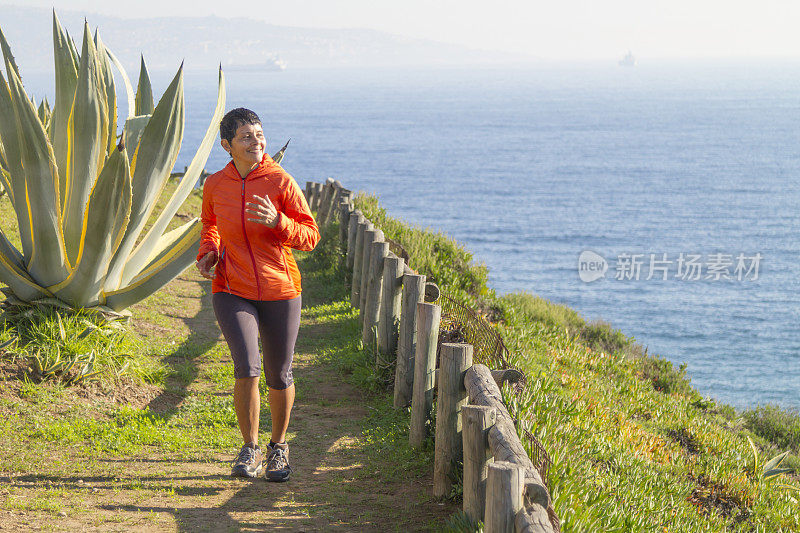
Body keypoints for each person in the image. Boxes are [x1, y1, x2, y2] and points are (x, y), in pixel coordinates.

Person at [196, 108, 320, 482]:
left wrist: (278, 223)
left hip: (280, 290)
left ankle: (278, 447)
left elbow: (310, 237)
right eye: (247, 137)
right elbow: (210, 224)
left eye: (260, 135)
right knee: (247, 366)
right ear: (227, 145)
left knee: (278, 374)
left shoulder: (281, 182)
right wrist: (209, 252)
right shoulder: (216, 184)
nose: (257, 142)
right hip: (232, 288)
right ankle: (250, 447)